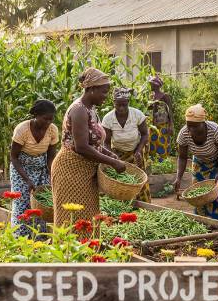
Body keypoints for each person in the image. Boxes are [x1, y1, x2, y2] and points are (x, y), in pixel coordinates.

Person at [52, 68, 125, 227]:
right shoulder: (79, 110)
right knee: (72, 218)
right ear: (92, 89)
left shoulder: (91, 109)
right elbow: (82, 147)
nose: (106, 97)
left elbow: (93, 142)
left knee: (88, 213)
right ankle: (71, 251)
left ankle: (87, 249)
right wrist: (112, 163)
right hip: (71, 169)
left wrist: (109, 154)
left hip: (86, 170)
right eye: (104, 92)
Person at [9, 100, 59, 235]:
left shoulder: (52, 130)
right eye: (45, 118)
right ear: (36, 115)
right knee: (22, 202)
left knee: (41, 202)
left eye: (51, 119)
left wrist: (51, 174)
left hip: (41, 167)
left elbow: (50, 157)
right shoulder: (22, 129)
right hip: (21, 167)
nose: (48, 122)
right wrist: (27, 180)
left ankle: (39, 237)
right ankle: (20, 237)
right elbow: (13, 157)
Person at [173, 104, 218, 220]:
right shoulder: (184, 133)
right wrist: (178, 177)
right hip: (200, 162)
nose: (191, 130)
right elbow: (183, 157)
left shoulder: (214, 130)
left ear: (203, 123)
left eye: (195, 126)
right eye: (189, 126)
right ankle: (201, 221)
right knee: (198, 195)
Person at [102, 87, 151, 202]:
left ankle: (143, 205)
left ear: (128, 102)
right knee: (121, 181)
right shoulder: (108, 119)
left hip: (136, 151)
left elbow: (144, 135)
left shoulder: (137, 115)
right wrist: (112, 158)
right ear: (114, 103)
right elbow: (106, 142)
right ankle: (124, 205)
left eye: (124, 104)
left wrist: (139, 151)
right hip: (118, 153)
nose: (121, 108)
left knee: (139, 180)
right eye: (118, 105)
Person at [148, 75, 174, 162]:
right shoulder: (151, 96)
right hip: (153, 126)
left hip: (163, 125)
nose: (150, 86)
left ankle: (162, 163)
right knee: (153, 144)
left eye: (152, 84)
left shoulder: (165, 96)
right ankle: (154, 162)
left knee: (163, 144)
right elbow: (148, 109)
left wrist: (171, 125)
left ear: (156, 85)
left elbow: (170, 111)